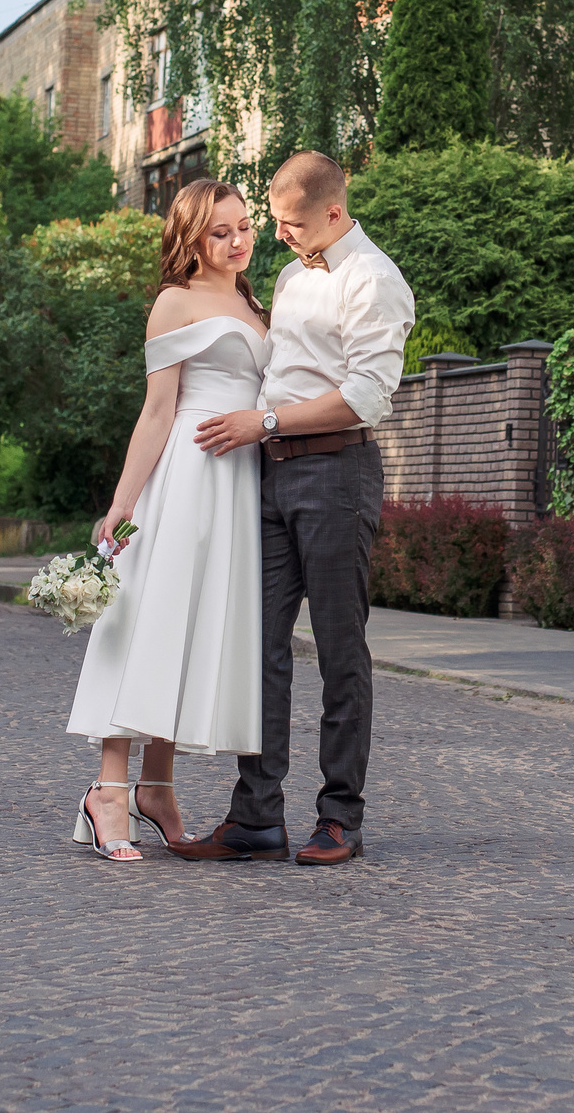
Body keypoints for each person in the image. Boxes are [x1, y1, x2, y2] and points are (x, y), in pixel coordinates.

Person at [172, 152, 413, 867]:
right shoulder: (287, 274)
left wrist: (265, 422)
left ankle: (340, 816)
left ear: (333, 213)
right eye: (272, 222)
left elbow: (367, 395)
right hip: (270, 480)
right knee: (258, 647)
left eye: (290, 223)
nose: (274, 235)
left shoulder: (374, 280)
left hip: (338, 474)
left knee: (341, 651)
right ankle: (256, 815)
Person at [65, 179, 270, 862]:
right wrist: (125, 500)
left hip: (239, 482)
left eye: (244, 226)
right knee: (148, 625)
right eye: (221, 232)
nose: (238, 240)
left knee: (190, 629)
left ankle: (159, 785)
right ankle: (109, 791)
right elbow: (158, 410)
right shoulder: (173, 302)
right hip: (185, 474)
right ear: (191, 237)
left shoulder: (249, 298)